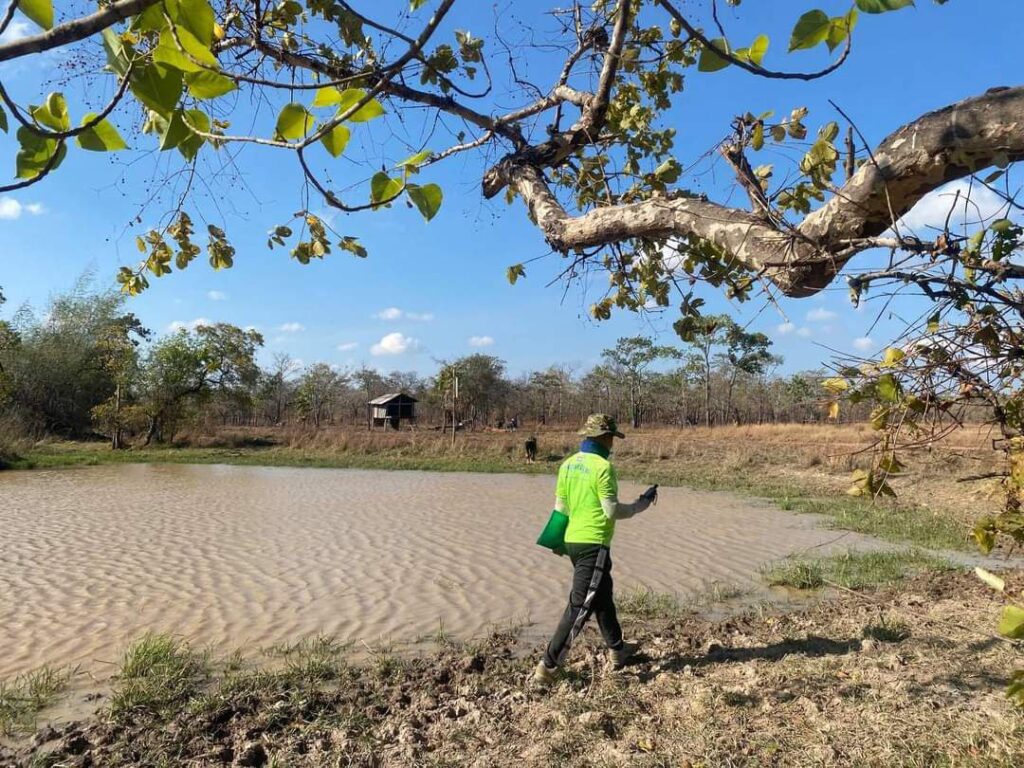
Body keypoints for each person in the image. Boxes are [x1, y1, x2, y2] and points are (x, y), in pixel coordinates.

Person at [533, 414, 657, 686]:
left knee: (602, 596)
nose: (612, 443)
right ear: (605, 437)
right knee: (579, 605)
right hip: (594, 543)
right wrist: (640, 505)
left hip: (573, 541)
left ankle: (618, 649)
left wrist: (558, 541)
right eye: (612, 437)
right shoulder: (603, 467)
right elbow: (611, 511)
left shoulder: (568, 465)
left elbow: (561, 508)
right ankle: (548, 666)